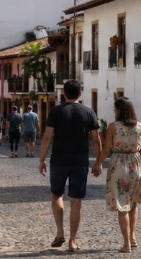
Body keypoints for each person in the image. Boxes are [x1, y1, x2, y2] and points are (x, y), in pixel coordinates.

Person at [39, 80, 102, 252]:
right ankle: (72, 241)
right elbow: (96, 139)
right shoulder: (89, 112)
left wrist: (41, 159)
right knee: (76, 201)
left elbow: (47, 137)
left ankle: (60, 233)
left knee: (57, 195)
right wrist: (98, 162)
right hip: (80, 162)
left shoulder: (55, 111)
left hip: (58, 160)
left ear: (64, 94)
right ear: (80, 93)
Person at [98, 97, 141, 253]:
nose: (114, 111)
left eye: (115, 109)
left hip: (119, 164)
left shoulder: (113, 127)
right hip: (136, 164)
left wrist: (97, 164)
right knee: (134, 205)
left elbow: (106, 149)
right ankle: (133, 238)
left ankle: (126, 244)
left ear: (120, 110)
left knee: (122, 206)